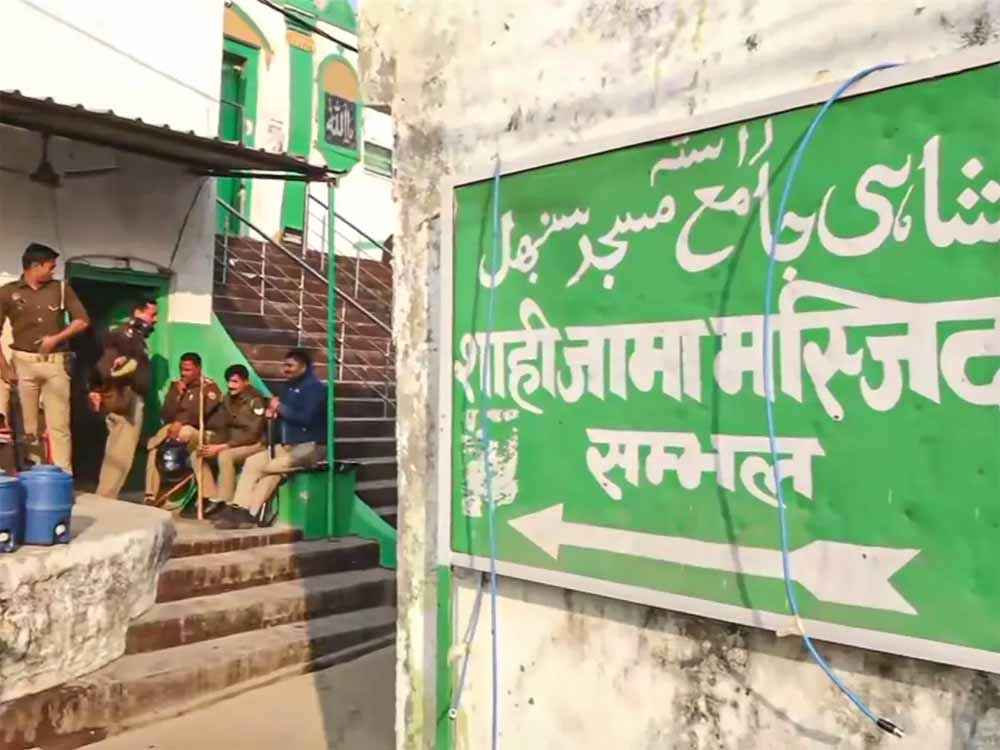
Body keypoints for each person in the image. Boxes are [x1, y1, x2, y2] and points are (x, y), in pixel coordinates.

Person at [0, 243, 89, 472]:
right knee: (27, 427)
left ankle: (62, 476)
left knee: (59, 426)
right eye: (50, 266)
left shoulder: (61, 289)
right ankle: (33, 474)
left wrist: (56, 338)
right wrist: (4, 367)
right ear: (35, 266)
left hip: (56, 363)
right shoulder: (8, 292)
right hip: (23, 363)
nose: (53, 271)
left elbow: (82, 321)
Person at [215, 349, 326, 529]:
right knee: (253, 463)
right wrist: (273, 413)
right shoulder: (288, 387)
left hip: (309, 447)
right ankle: (240, 509)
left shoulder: (316, 389)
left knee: (270, 468)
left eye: (290, 366)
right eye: (284, 365)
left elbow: (306, 418)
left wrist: (279, 407)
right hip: (285, 445)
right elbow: (284, 413)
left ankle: (249, 512)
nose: (285, 369)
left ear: (303, 367)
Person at [89, 299, 158, 499]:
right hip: (125, 399)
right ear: (138, 312)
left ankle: (106, 494)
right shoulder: (124, 336)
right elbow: (105, 365)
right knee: (121, 452)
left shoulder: (135, 338)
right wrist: (96, 388)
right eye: (152, 315)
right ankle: (107, 496)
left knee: (118, 449)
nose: (155, 320)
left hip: (127, 398)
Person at [145, 352, 222, 505]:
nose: (183, 373)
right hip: (175, 430)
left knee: (185, 431)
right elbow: (166, 414)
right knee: (154, 450)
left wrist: (180, 421)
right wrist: (177, 396)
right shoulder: (176, 386)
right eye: (181, 369)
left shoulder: (209, 388)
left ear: (198, 369)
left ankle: (208, 497)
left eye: (187, 370)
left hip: (203, 432)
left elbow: (200, 412)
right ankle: (150, 495)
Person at [198, 364, 267, 516]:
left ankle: (226, 501)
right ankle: (210, 496)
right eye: (229, 381)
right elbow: (221, 424)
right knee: (199, 450)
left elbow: (253, 434)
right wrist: (213, 443)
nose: (231, 385)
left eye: (235, 382)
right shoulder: (228, 398)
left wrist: (222, 447)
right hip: (232, 441)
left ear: (245, 382)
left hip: (254, 444)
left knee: (225, 456)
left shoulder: (255, 400)